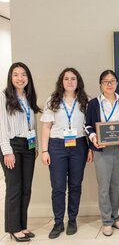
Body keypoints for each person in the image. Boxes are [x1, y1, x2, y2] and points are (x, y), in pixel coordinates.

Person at [40, 68, 92, 239]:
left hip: (79, 145)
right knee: (58, 186)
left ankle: (72, 220)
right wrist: (45, 150)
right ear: (61, 81)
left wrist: (90, 149)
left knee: (76, 185)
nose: (70, 82)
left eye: (73, 79)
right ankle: (57, 222)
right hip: (57, 146)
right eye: (66, 79)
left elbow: (89, 127)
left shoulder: (86, 101)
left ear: (78, 81)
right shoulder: (52, 100)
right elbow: (46, 127)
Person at [0, 62, 42, 242]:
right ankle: (13, 228)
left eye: (23, 74)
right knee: (14, 188)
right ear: (11, 78)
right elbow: (1, 126)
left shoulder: (28, 97)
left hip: (28, 146)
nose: (20, 78)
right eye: (16, 74)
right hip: (12, 146)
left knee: (26, 188)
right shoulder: (3, 97)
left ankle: (22, 225)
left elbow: (31, 125)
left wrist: (36, 146)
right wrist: (7, 151)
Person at [85, 70, 119, 237]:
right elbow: (87, 125)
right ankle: (106, 221)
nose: (109, 84)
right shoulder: (94, 103)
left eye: (112, 81)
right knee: (104, 186)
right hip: (101, 150)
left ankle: (115, 217)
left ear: (117, 83)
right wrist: (94, 136)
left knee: (116, 185)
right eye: (105, 81)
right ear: (100, 84)